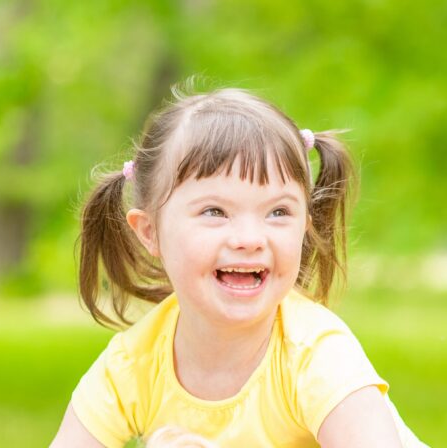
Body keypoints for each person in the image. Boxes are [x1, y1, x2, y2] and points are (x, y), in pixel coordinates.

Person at [51, 85, 428, 447]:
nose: (250, 238)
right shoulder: (132, 366)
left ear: (304, 228)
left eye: (278, 212)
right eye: (215, 211)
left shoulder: (316, 356)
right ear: (150, 232)